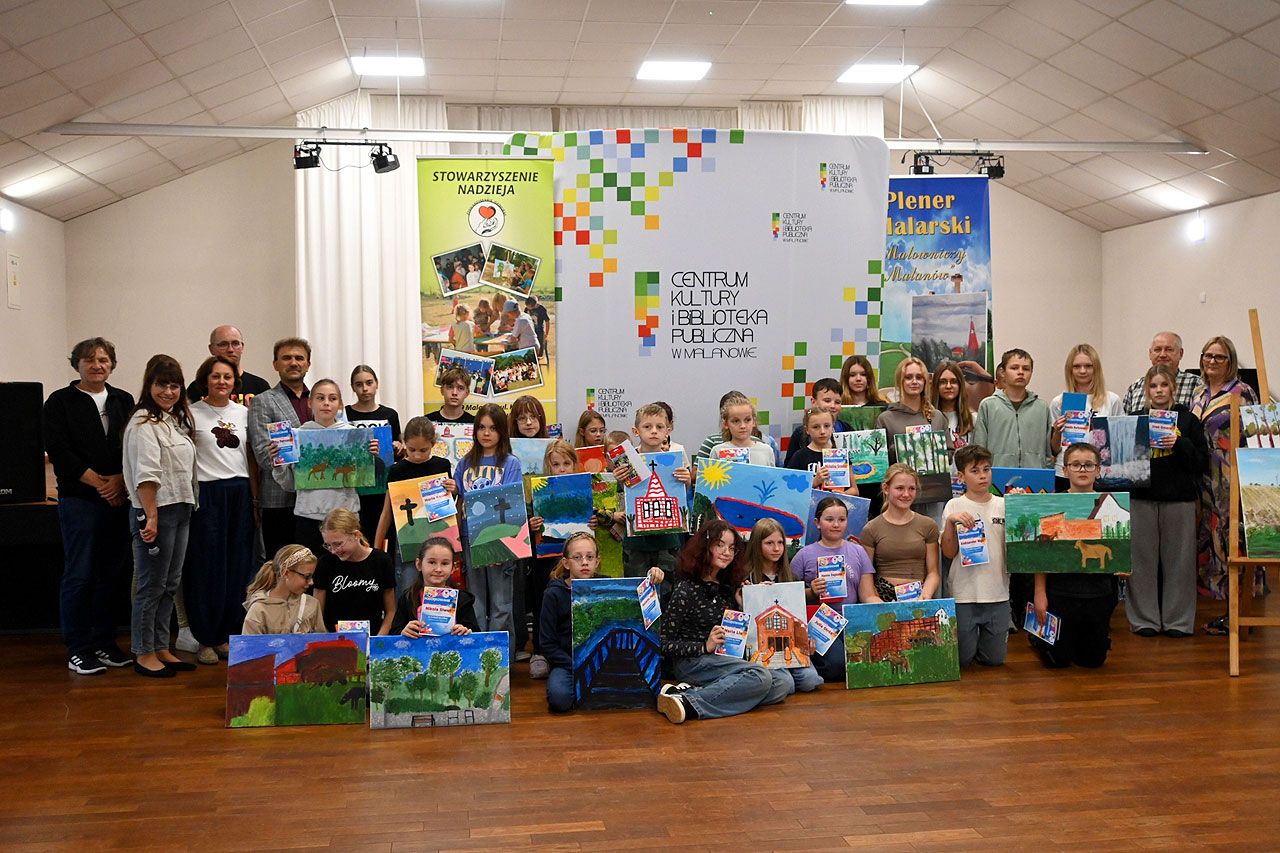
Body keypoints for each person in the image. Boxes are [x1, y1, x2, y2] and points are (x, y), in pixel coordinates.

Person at [45, 337, 136, 675]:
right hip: (80, 500)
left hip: (118, 498)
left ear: (112, 364)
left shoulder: (123, 399)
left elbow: (132, 446)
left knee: (112, 575)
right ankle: (78, 648)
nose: (97, 365)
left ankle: (104, 642)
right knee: (80, 574)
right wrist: (102, 484)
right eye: (89, 360)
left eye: (103, 360)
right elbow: (60, 452)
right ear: (77, 364)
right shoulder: (60, 401)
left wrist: (120, 481)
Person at [657, 521, 794, 724]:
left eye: (731, 548)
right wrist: (704, 646)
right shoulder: (686, 589)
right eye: (720, 545)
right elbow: (663, 643)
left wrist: (743, 605)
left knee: (783, 683)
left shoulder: (728, 586)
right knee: (759, 676)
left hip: (725, 658)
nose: (726, 552)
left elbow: (736, 634)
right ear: (705, 547)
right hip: (693, 661)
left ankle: (695, 692)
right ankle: (689, 703)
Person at [123, 355, 198, 678]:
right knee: (150, 585)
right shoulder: (143, 424)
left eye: (174, 385)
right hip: (157, 511)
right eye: (161, 385)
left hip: (180, 507)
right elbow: (146, 475)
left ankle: (160, 645)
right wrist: (150, 516)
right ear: (148, 385)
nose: (168, 391)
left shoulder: (171, 420)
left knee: (169, 583)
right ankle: (143, 652)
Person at [185, 355, 256, 666]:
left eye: (227, 377)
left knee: (237, 565)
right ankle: (205, 636)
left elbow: (250, 459)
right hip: (208, 493)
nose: (222, 382)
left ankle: (228, 634)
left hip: (239, 492)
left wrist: (255, 500)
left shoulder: (244, 414)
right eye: (215, 376)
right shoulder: (191, 413)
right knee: (207, 566)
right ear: (205, 380)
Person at [1128, 365, 1209, 638]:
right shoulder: (1135, 419)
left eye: (1164, 385)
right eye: (1153, 386)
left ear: (1173, 388)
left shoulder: (1188, 421)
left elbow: (1201, 462)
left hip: (1179, 500)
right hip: (1141, 499)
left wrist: (1179, 443)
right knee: (1141, 562)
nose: (1159, 390)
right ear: (1146, 390)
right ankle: (1144, 619)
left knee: (1180, 563)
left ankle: (1178, 621)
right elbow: (1121, 459)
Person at [1192, 335, 1261, 633]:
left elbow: (1256, 437)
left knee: (1234, 539)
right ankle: (1228, 611)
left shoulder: (1242, 392)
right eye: (1208, 355)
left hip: (1233, 478)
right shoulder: (1199, 393)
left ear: (1230, 361)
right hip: (1205, 479)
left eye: (1219, 357)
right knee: (1213, 539)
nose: (1212, 361)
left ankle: (1241, 613)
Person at [1030, 443, 1119, 668]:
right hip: (1061, 593)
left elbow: (1120, 551)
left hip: (1098, 594)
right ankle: (1038, 639)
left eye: (1088, 465)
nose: (1082, 469)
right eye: (1076, 465)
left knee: (1093, 661)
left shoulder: (1112, 505)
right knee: (1057, 661)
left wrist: (1124, 566)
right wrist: (1040, 593)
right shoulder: (1052, 505)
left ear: (1098, 470)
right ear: (1065, 470)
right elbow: (1042, 554)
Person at [270, 378, 377, 556]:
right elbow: (289, 485)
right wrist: (278, 463)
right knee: (312, 568)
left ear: (340, 404)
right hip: (308, 518)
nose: (326, 403)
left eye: (332, 398)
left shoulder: (354, 435)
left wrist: (371, 458)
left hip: (346, 518)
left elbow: (364, 480)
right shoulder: (296, 436)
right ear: (310, 402)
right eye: (320, 398)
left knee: (347, 568)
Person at [454, 403, 523, 658]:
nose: (486, 433)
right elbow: (458, 500)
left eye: (493, 428)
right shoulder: (465, 463)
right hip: (470, 537)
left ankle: (501, 658)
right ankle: (480, 655)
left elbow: (511, 503)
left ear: (502, 432)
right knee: (476, 599)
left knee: (501, 603)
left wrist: (499, 545)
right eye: (481, 427)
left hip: (499, 540)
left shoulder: (510, 463)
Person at [792, 497, 880, 682]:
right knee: (837, 667)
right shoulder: (804, 555)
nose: (836, 525)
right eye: (829, 519)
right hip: (820, 623)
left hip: (851, 619)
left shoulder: (858, 552)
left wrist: (884, 608)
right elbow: (789, 598)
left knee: (871, 658)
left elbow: (867, 594)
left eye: (841, 519)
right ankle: (810, 660)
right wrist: (811, 592)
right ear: (817, 522)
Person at [940, 445, 1009, 666]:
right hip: (965, 593)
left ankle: (985, 644)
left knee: (994, 660)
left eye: (986, 469)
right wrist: (951, 523)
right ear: (961, 476)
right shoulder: (954, 505)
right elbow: (948, 552)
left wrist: (1022, 506)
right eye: (975, 471)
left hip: (998, 591)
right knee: (962, 659)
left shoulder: (1004, 504)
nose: (982, 476)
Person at [373, 416, 454, 597]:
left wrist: (453, 489)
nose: (417, 455)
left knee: (437, 588)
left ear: (433, 444)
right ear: (404, 443)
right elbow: (387, 512)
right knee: (407, 591)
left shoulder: (442, 465)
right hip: (407, 541)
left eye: (423, 450)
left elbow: (449, 503)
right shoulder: (397, 470)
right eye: (411, 449)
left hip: (437, 539)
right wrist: (376, 550)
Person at [247, 337, 312, 559]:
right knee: (280, 563)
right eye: (286, 358)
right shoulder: (262, 401)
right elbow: (263, 455)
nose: (293, 362)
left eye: (299, 358)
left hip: (316, 498)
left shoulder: (320, 399)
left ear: (308, 364)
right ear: (275, 364)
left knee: (313, 562)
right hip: (279, 498)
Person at [741, 519, 822, 693]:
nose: (776, 548)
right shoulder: (746, 577)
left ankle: (789, 676)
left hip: (790, 645)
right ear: (757, 545)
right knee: (787, 685)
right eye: (769, 543)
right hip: (762, 647)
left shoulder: (789, 576)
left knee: (810, 680)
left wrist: (805, 640)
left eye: (780, 543)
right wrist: (752, 595)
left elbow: (797, 616)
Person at [526, 440, 580, 680]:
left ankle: (573, 648)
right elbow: (528, 523)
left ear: (574, 464)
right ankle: (539, 652)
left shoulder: (582, 488)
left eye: (566, 463)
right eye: (556, 464)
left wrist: (593, 521)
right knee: (544, 600)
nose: (562, 469)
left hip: (574, 554)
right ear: (548, 466)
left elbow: (592, 517)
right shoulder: (540, 490)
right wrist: (532, 524)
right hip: (546, 555)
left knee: (574, 598)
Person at [876, 357, 953, 523]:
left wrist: (935, 451)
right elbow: (880, 462)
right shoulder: (886, 418)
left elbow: (949, 453)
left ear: (925, 382)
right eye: (908, 377)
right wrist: (900, 449)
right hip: (899, 496)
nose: (914, 381)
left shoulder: (937, 417)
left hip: (932, 495)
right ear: (900, 381)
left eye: (919, 377)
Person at [861, 464, 942, 602]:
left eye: (911, 489)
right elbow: (865, 577)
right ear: (886, 488)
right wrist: (875, 601)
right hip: (883, 598)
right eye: (899, 488)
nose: (906, 494)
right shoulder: (871, 529)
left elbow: (933, 573)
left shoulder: (928, 525)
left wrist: (925, 595)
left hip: (920, 597)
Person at [1049, 344, 1124, 488]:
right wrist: (1057, 432)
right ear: (1070, 370)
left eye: (1088, 366)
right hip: (1066, 473)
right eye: (1077, 366)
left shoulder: (1112, 400)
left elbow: (1118, 440)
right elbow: (1055, 449)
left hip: (1102, 472)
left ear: (1096, 368)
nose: (1082, 371)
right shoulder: (1059, 402)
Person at [540, 532, 599, 712]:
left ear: (597, 562)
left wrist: (653, 576)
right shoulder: (553, 594)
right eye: (577, 557)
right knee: (560, 699)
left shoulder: (609, 586)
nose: (584, 562)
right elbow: (547, 644)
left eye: (590, 557)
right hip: (567, 664)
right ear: (566, 563)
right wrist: (575, 665)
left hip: (601, 659)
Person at [314, 508, 396, 635]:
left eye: (338, 544)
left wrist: (378, 639)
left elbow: (391, 611)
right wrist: (329, 639)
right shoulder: (325, 563)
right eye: (328, 545)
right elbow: (317, 613)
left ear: (356, 535)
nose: (333, 550)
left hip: (373, 636)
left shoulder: (381, 561)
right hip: (334, 638)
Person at [345, 365, 402, 542]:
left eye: (369, 383)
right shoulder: (345, 414)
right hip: (354, 489)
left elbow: (398, 448)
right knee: (357, 536)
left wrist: (398, 447)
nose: (365, 389)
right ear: (352, 387)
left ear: (377, 383)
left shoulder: (390, 414)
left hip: (382, 487)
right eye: (359, 384)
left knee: (383, 535)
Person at [974, 348, 1053, 469]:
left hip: (1034, 474)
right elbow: (979, 448)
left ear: (1031, 372)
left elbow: (1048, 451)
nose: (1020, 372)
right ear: (1003, 372)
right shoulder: (988, 405)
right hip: (997, 474)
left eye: (1026, 369)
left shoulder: (1042, 408)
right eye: (1014, 368)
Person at [392, 537, 478, 637]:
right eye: (432, 562)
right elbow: (393, 634)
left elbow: (477, 635)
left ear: (453, 568)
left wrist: (465, 632)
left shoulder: (462, 599)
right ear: (419, 564)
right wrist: (402, 633)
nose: (438, 569)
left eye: (445, 563)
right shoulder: (408, 598)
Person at [242, 545, 326, 634]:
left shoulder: (312, 604)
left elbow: (322, 640)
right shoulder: (259, 609)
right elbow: (249, 642)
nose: (311, 582)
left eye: (312, 576)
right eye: (307, 577)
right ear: (285, 573)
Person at [1122, 331, 1206, 414]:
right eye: (1157, 350)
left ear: (1180, 353)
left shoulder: (1197, 384)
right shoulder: (1135, 387)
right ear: (1150, 354)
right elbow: (1125, 421)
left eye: (1169, 350)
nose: (1162, 355)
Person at [185, 324, 271, 405]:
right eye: (223, 344)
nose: (230, 349)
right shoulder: (197, 388)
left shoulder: (260, 386)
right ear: (211, 349)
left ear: (242, 347)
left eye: (235, 344)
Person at [783, 378, 847, 466]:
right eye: (827, 401)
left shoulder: (846, 428)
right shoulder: (800, 433)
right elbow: (789, 468)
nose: (832, 406)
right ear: (814, 402)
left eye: (837, 402)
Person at [785, 406, 846, 491]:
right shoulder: (799, 456)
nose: (822, 431)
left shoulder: (841, 455)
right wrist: (814, 482)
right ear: (807, 430)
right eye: (816, 427)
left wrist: (843, 494)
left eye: (827, 426)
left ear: (833, 427)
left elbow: (854, 490)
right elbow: (789, 490)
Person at [711, 396, 775, 466]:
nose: (743, 426)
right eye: (736, 421)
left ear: (754, 421)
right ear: (726, 424)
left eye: (747, 420)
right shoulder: (717, 451)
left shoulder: (766, 450)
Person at [932, 360, 975, 452]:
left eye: (953, 381)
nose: (948, 386)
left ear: (960, 385)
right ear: (936, 385)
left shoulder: (973, 419)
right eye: (943, 382)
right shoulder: (927, 418)